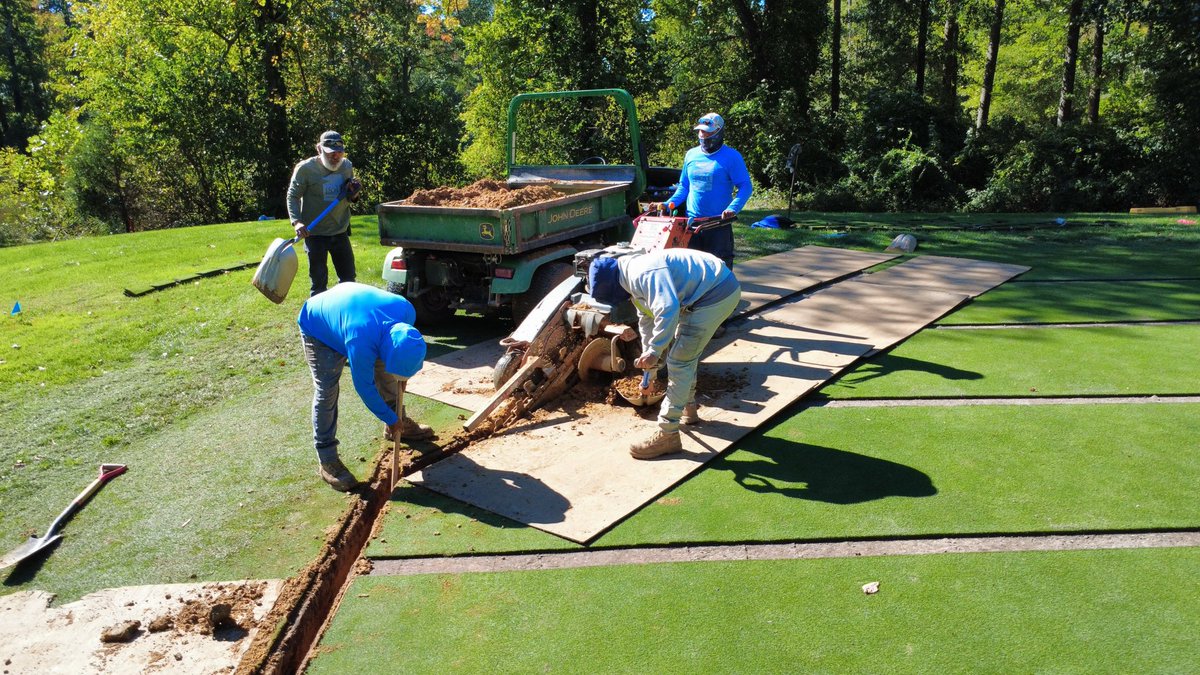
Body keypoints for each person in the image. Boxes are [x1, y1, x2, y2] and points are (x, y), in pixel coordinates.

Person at [588, 248, 742, 460]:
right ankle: (688, 406)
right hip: (704, 294)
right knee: (685, 352)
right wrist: (649, 367)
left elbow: (667, 309)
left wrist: (655, 351)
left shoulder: (642, 274)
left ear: (614, 288)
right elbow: (648, 322)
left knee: (679, 359)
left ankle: (667, 434)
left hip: (715, 294)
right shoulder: (630, 278)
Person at [297, 282, 435, 491]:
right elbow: (364, 388)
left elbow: (398, 356)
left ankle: (398, 426)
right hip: (318, 327)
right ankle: (327, 460)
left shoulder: (406, 313)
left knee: (386, 371)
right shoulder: (360, 341)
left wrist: (402, 376)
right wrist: (388, 416)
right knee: (327, 391)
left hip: (358, 318)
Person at [657, 112, 753, 269]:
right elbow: (684, 186)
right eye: (701, 132)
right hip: (692, 223)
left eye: (708, 132)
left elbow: (745, 186)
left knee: (720, 269)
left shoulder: (732, 157)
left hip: (718, 224)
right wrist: (668, 204)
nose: (703, 135)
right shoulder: (691, 155)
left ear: (719, 132)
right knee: (693, 270)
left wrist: (732, 209)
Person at [288, 130, 363, 296]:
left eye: (339, 153)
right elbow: (292, 196)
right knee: (318, 284)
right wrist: (297, 222)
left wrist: (354, 193)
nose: (335, 157)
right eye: (330, 153)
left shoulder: (346, 166)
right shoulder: (305, 169)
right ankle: (319, 318)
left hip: (340, 230)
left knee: (349, 280)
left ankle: (345, 315)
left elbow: (350, 196)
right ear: (319, 149)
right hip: (314, 234)